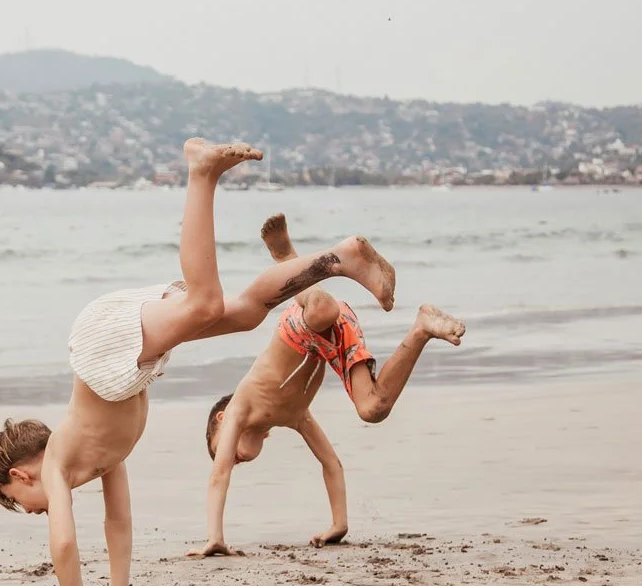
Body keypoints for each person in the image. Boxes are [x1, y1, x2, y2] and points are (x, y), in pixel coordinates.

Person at [0, 144, 398, 586]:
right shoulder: (100, 459)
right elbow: (117, 521)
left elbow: (64, 541)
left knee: (204, 302)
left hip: (103, 348)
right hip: (119, 360)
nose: (37, 512)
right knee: (243, 314)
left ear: (21, 475)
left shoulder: (57, 464)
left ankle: (201, 174)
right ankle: (339, 258)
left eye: (24, 506)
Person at [192, 213, 464, 557]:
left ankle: (288, 260)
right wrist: (340, 524)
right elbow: (331, 464)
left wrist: (214, 536)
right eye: (232, 461)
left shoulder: (239, 409)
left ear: (221, 419)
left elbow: (217, 477)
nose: (230, 460)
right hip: (330, 340)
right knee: (373, 408)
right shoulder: (294, 416)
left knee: (321, 309)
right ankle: (422, 327)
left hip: (301, 325)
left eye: (223, 452)